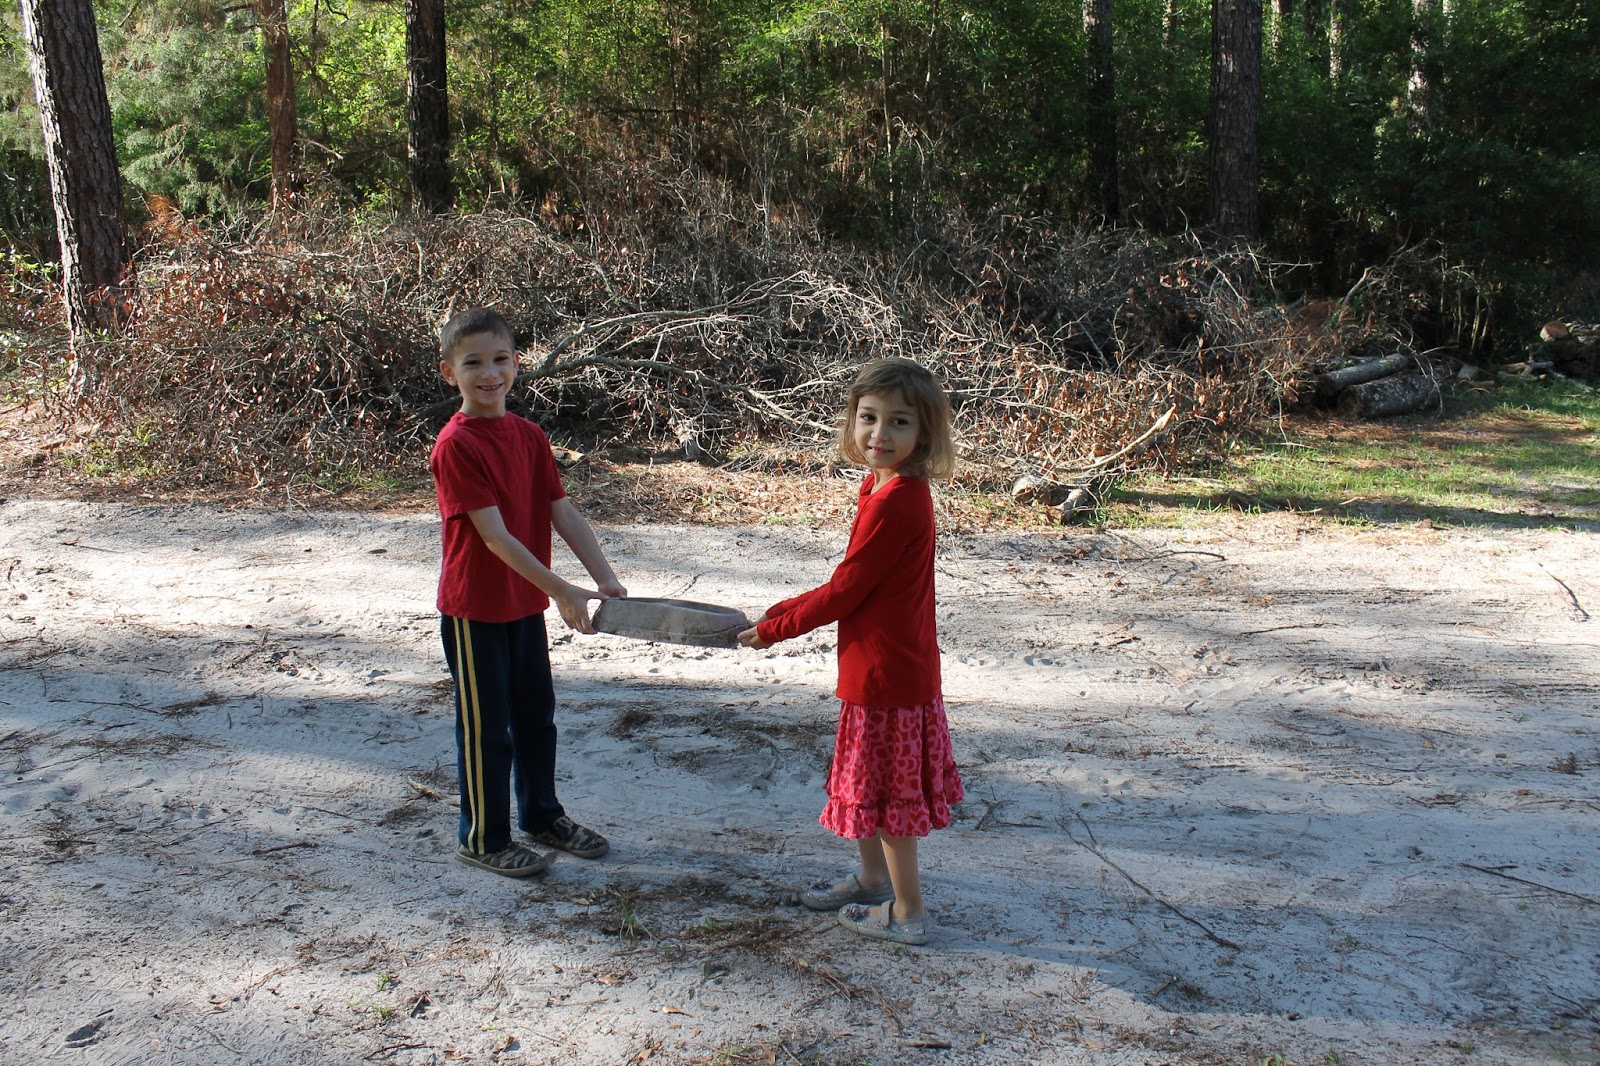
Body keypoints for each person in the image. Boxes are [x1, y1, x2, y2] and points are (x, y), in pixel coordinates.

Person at [738, 357, 963, 946]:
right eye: (869, 417)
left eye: (899, 422)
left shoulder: (897, 501)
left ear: (924, 432)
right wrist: (781, 609)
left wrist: (777, 629)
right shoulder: (881, 485)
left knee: (889, 800)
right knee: (867, 785)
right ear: (852, 420)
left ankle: (908, 913)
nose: (879, 434)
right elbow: (850, 579)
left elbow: (845, 592)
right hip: (877, 668)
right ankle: (871, 880)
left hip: (889, 676)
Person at [430, 307, 626, 877]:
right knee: (488, 729)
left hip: (524, 604)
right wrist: (564, 590)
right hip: (475, 612)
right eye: (473, 363)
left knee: (536, 718)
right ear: (450, 372)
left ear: (517, 363)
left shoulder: (529, 435)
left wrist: (603, 577)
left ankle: (541, 816)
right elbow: (495, 537)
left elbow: (561, 511)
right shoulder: (456, 445)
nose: (489, 373)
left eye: (500, 359)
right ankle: (483, 837)